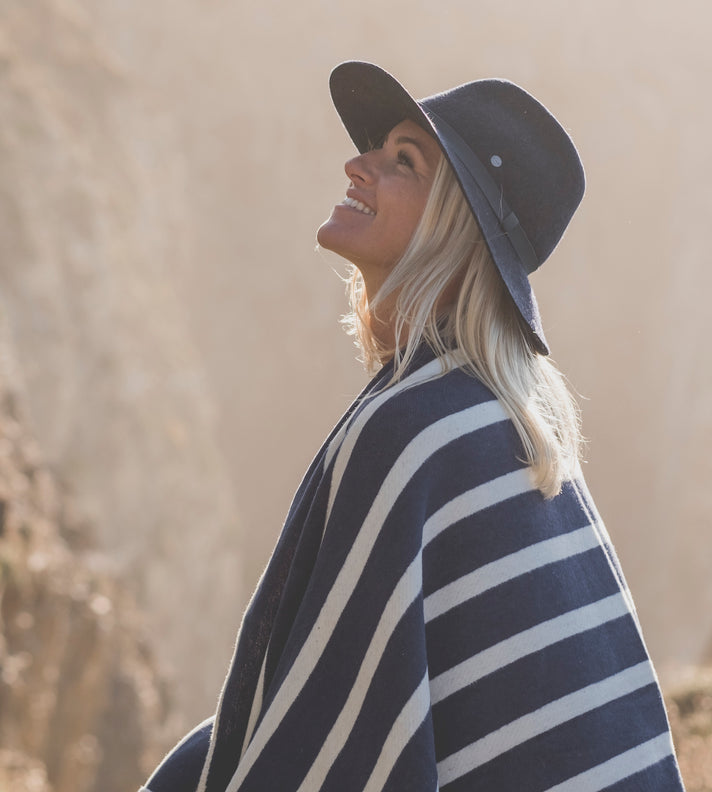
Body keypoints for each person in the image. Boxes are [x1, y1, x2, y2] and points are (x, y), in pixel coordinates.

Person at [141, 61, 686, 792]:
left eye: (403, 162)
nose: (355, 165)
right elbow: (332, 690)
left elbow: (327, 746)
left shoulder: (415, 434)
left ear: (454, 232)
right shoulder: (507, 423)